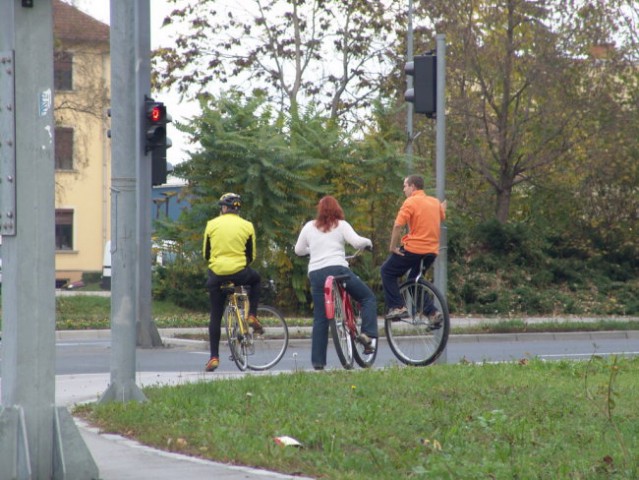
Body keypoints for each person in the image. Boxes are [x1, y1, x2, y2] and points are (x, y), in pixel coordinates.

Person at [294, 195, 378, 370]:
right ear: (337, 209)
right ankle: (367, 334)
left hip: (316, 275)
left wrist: (314, 249)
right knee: (367, 298)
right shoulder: (341, 225)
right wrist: (369, 243)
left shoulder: (309, 226)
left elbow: (299, 250)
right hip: (338, 271)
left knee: (320, 317)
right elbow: (357, 242)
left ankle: (318, 362)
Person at [202, 193, 263, 372]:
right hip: (240, 272)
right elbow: (251, 255)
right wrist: (241, 267)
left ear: (223, 208)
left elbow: (206, 253)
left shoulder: (211, 224)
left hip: (217, 275)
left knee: (215, 315)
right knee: (257, 279)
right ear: (237, 208)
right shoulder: (247, 225)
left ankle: (213, 357)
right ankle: (251, 315)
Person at [381, 175, 446, 322]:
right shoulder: (434, 202)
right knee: (413, 281)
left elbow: (398, 225)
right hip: (431, 252)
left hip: (414, 250)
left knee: (387, 271)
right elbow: (441, 216)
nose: (403, 189)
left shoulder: (410, 202)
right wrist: (443, 207)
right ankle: (433, 314)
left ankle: (398, 307)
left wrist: (393, 247)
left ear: (413, 187)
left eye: (405, 186)